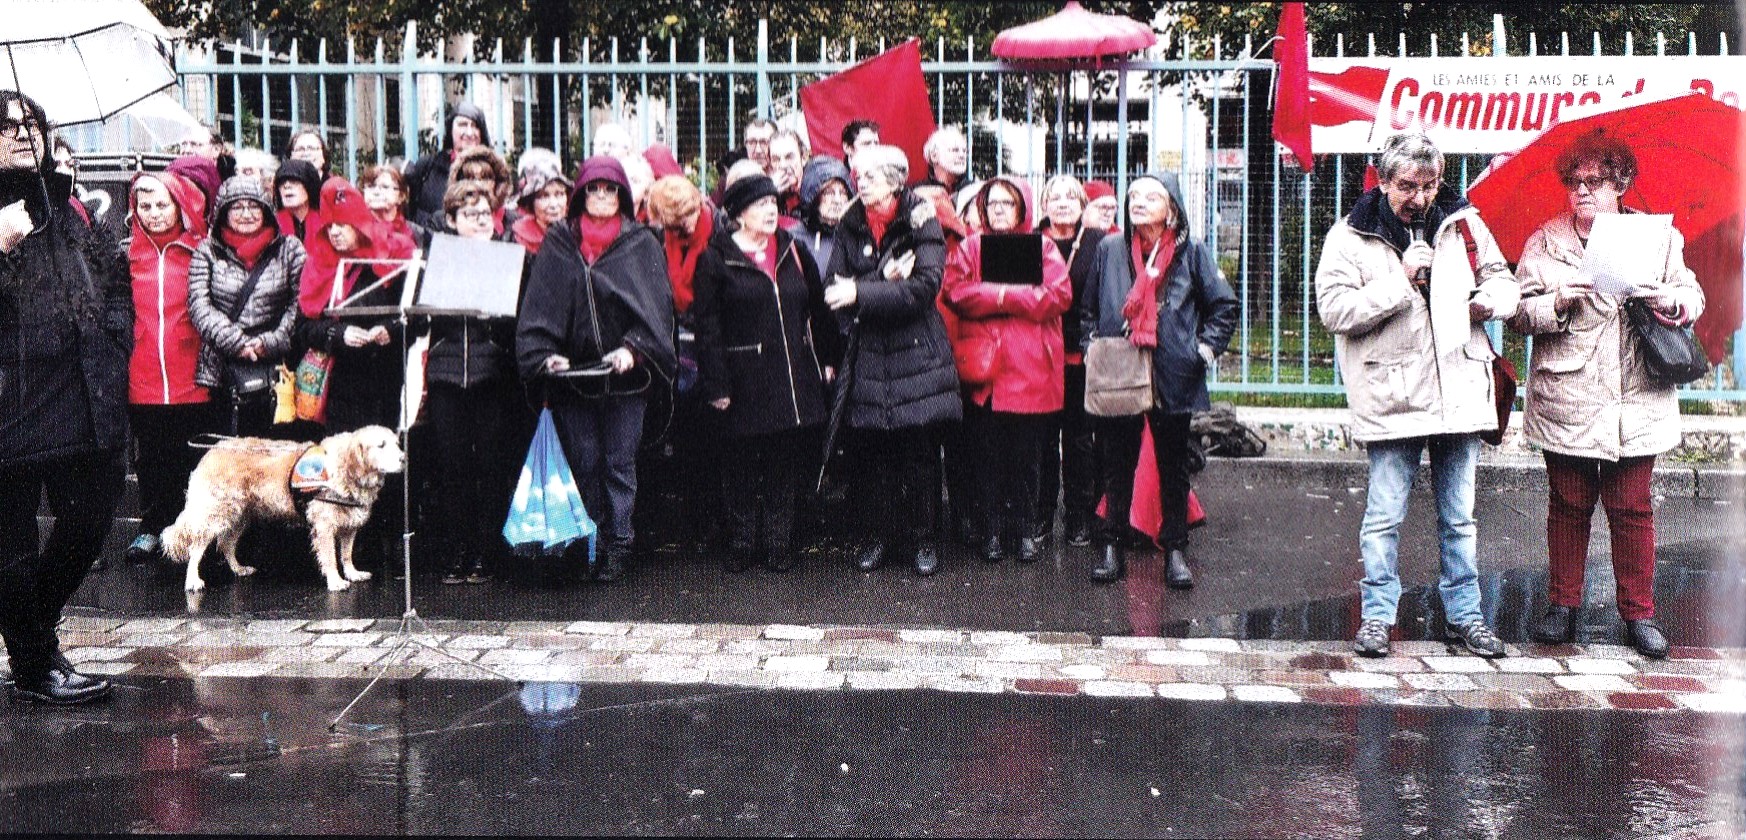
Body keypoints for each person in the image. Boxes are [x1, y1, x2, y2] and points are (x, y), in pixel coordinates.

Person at [1314, 132, 1520, 659]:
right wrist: (1402, 282)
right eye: (1408, 185)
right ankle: (1379, 617)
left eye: (1430, 184)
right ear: (1383, 182)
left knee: (1460, 517)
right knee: (1384, 517)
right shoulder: (1350, 235)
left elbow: (1504, 280)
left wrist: (1487, 302)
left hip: (1459, 389)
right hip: (1393, 395)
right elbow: (1334, 311)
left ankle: (1466, 617)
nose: (1421, 197)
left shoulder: (1464, 221)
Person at [1508, 131, 1704, 659]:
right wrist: (1556, 301)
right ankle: (1562, 606)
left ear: (1621, 184)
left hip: (1637, 394)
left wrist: (1672, 299)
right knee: (1569, 503)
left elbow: (1692, 294)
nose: (1582, 192)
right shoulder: (1545, 241)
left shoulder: (1655, 236)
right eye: (1574, 182)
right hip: (1568, 391)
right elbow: (1518, 312)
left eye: (1594, 181)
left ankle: (1639, 614)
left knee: (1633, 506)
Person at [0, 90, 131, 705]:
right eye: (5, 126)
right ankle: (33, 664)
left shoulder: (66, 201)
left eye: (30, 123)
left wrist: (115, 336)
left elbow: (113, 275)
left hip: (81, 392)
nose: (21, 133)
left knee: (89, 519)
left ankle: (31, 628)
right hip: (11, 400)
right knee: (13, 544)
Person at [517, 156, 676, 583]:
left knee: (619, 463)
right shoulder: (559, 244)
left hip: (625, 380)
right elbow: (540, 306)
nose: (601, 196)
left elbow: (656, 310)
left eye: (609, 189)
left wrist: (634, 348)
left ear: (622, 194)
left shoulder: (640, 242)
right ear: (581, 195)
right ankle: (592, 543)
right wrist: (546, 353)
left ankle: (620, 544)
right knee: (584, 463)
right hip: (575, 380)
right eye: (593, 188)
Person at [1082, 173, 1237, 589]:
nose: (1138, 202)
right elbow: (1089, 309)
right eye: (1133, 195)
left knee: (1173, 468)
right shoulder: (1111, 249)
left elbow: (1223, 306)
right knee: (1117, 466)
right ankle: (1110, 546)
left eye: (1151, 196)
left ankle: (1175, 550)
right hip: (1121, 371)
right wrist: (1092, 348)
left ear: (1172, 207)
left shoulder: (1193, 252)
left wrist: (1201, 352)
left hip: (1174, 372)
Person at [692, 174, 841, 573]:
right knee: (739, 463)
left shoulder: (792, 249)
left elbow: (819, 306)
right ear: (738, 215)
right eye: (761, 205)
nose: (771, 211)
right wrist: (716, 384)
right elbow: (707, 327)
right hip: (743, 378)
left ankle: (778, 542)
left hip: (791, 375)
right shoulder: (716, 258)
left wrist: (826, 358)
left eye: (774, 203)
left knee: (782, 463)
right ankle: (742, 541)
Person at [823, 144, 958, 577]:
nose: (860, 183)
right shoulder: (851, 220)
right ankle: (876, 538)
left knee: (918, 454)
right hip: (868, 354)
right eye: (858, 176)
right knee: (872, 457)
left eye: (870, 177)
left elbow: (924, 287)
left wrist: (862, 292)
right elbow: (833, 288)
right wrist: (881, 279)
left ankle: (923, 541)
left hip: (916, 353)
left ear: (895, 181)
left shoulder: (922, 217)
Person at [942, 176, 1072, 562]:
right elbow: (956, 292)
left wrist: (997, 296)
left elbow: (1058, 295)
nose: (998, 210)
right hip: (988, 372)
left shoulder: (1044, 247)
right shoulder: (970, 247)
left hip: (1030, 370)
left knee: (1026, 458)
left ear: (1021, 209)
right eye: (992, 203)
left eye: (1006, 203)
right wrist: (1013, 295)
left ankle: (1025, 531)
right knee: (987, 457)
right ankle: (992, 532)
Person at [422, 182, 525, 585]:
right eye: (470, 215)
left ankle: (486, 551)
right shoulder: (440, 258)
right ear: (451, 220)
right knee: (453, 467)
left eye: (486, 214)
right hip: (447, 372)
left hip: (491, 373)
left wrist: (495, 322)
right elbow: (425, 315)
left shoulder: (507, 256)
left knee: (490, 465)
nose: (481, 221)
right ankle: (457, 550)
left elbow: (517, 318)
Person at [120, 170, 211, 564]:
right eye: (145, 206)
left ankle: (196, 534)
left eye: (162, 205)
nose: (154, 213)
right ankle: (152, 528)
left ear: (179, 205)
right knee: (151, 458)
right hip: (142, 376)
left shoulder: (200, 250)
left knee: (190, 459)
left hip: (191, 375)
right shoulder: (127, 254)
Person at [295, 178, 417, 434]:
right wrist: (339, 334)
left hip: (385, 382)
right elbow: (303, 327)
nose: (334, 232)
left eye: (342, 224)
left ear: (359, 225)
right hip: (339, 386)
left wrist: (389, 330)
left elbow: (417, 316)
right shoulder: (319, 263)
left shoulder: (391, 257)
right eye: (329, 226)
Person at [187, 175, 305, 438]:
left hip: (279, 371)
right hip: (223, 371)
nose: (246, 214)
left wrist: (270, 342)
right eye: (237, 207)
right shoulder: (206, 251)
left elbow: (301, 302)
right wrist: (237, 342)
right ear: (223, 212)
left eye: (254, 206)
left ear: (266, 210)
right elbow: (199, 305)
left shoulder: (290, 249)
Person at [1037, 174, 1107, 547]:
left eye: (1070, 197)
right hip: (1040, 357)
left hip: (1081, 357)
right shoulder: (1031, 243)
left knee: (1080, 440)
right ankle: (1042, 514)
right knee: (1043, 440)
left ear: (1082, 205)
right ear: (1044, 205)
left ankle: (1079, 515)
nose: (1062, 203)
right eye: (1054, 197)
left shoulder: (1099, 243)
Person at [403, 102, 489, 227]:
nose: (469, 133)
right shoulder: (428, 166)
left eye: (475, 126)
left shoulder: (492, 172)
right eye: (462, 125)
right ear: (450, 130)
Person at [509, 148, 572, 255]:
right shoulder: (516, 239)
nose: (553, 204)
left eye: (559, 194)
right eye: (544, 196)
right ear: (531, 203)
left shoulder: (577, 234)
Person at [797, 155, 850, 273]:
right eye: (829, 192)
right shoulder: (792, 238)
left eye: (843, 193)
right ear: (813, 196)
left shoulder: (856, 238)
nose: (837, 200)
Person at [449, 145, 517, 236]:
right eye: (470, 178)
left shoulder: (515, 222)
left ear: (497, 182)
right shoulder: (441, 221)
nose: (478, 184)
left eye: (485, 178)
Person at [361, 164, 427, 250]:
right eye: (371, 186)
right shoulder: (356, 231)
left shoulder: (416, 233)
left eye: (385, 187)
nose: (376, 192)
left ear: (402, 196)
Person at [274, 157, 324, 251]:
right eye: (281, 182)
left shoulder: (327, 224)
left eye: (294, 181)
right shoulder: (272, 226)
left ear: (309, 186)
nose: (287, 186)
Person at [767, 129, 807, 217]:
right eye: (776, 159)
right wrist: (769, 194)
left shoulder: (817, 192)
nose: (783, 165)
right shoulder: (768, 193)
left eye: (789, 157)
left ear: (803, 157)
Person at [920, 126, 968, 193]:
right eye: (955, 150)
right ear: (934, 156)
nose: (962, 155)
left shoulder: (975, 191)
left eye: (965, 151)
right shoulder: (917, 193)